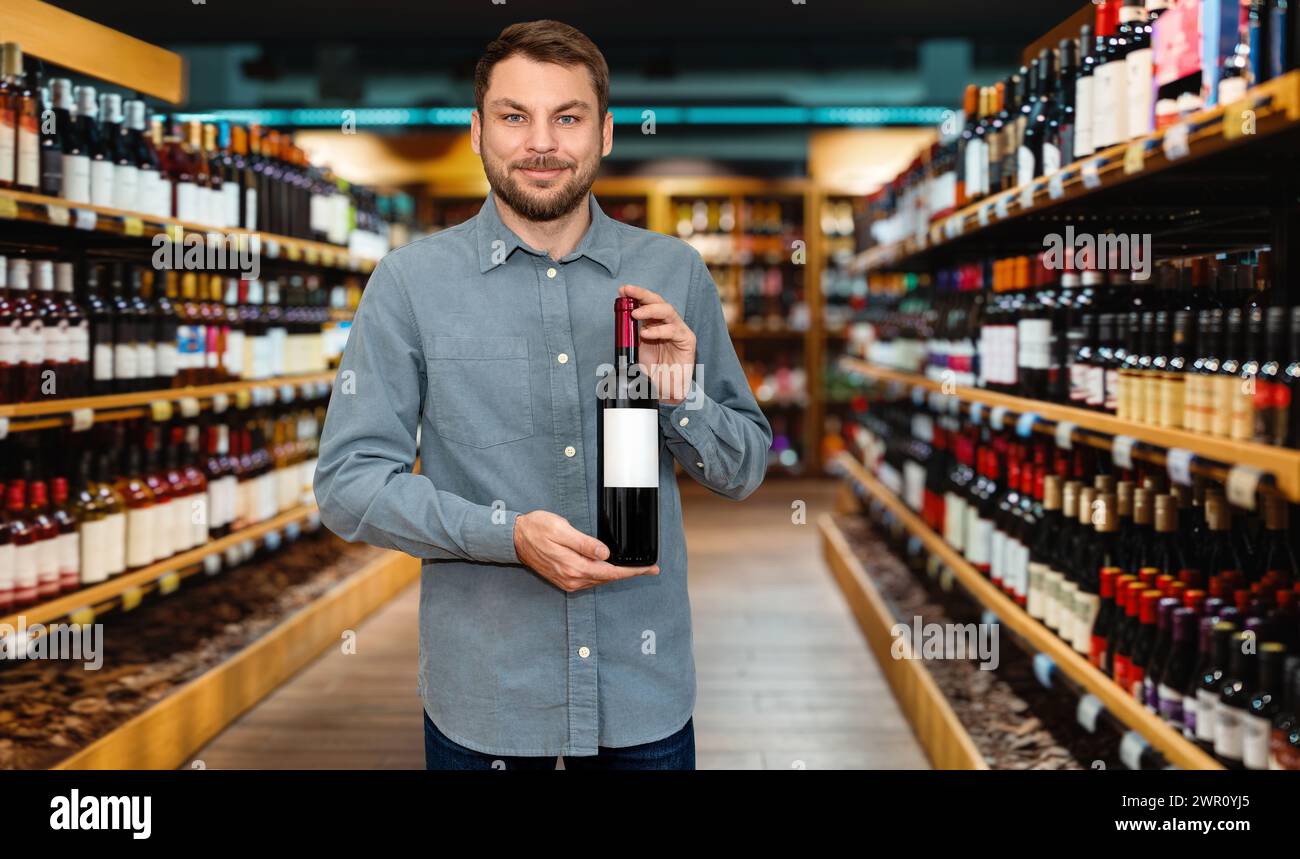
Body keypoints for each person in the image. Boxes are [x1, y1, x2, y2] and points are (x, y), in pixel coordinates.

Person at [314, 19, 772, 771]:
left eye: (567, 117)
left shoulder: (674, 270)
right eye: (513, 115)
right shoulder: (409, 284)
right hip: (487, 698)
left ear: (606, 133)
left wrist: (679, 393)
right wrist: (507, 534)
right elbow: (348, 484)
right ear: (476, 131)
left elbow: (746, 466)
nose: (541, 142)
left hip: (643, 691)